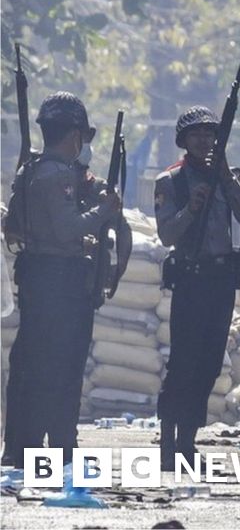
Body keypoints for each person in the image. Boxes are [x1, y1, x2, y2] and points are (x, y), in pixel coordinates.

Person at [2, 92, 121, 467]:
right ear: (74, 135)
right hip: (60, 280)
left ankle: (22, 446)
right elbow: (68, 229)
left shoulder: (30, 171)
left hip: (37, 274)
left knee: (31, 363)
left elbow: (13, 225)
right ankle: (60, 446)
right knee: (63, 365)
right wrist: (103, 211)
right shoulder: (58, 175)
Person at [154, 106, 240, 468]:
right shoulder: (171, 181)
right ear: (184, 140)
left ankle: (188, 439)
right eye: (196, 134)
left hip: (220, 279)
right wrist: (191, 209)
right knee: (184, 360)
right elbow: (167, 234)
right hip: (191, 278)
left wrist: (225, 177)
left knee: (211, 362)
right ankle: (169, 438)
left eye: (210, 134)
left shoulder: (227, 176)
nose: (204, 140)